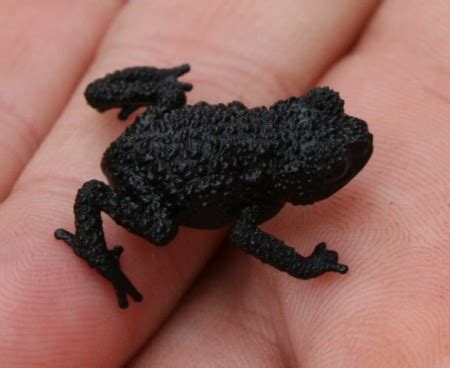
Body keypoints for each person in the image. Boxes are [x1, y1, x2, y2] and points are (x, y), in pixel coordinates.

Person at [1, 1, 449, 366]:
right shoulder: (266, 195)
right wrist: (305, 266)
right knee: (160, 230)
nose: (356, 135)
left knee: (170, 98)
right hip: (148, 176)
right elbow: (244, 234)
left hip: (160, 123)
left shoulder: (272, 152)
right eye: (335, 166)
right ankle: (93, 226)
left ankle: (131, 90)